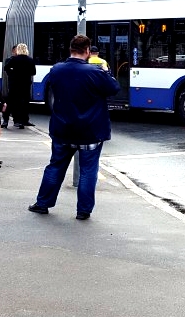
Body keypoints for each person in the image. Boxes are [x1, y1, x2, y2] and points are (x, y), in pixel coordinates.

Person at [28, 34, 119, 220]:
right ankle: (83, 210)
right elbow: (114, 88)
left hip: (63, 129)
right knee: (88, 170)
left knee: (56, 167)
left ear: (71, 49)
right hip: (90, 130)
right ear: (87, 51)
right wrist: (104, 71)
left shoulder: (56, 70)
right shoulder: (95, 72)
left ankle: (43, 203)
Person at [3, 43, 36, 129]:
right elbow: (33, 72)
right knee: (24, 103)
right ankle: (22, 121)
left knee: (11, 101)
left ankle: (5, 120)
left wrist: (12, 74)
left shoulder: (14, 59)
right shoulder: (30, 60)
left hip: (14, 84)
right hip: (25, 84)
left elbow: (6, 68)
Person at [1, 45, 18, 128]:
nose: (17, 52)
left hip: (19, 85)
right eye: (15, 51)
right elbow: (7, 69)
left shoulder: (21, 60)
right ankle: (5, 120)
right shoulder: (10, 60)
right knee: (9, 103)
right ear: (13, 51)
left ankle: (16, 120)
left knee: (17, 104)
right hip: (11, 85)